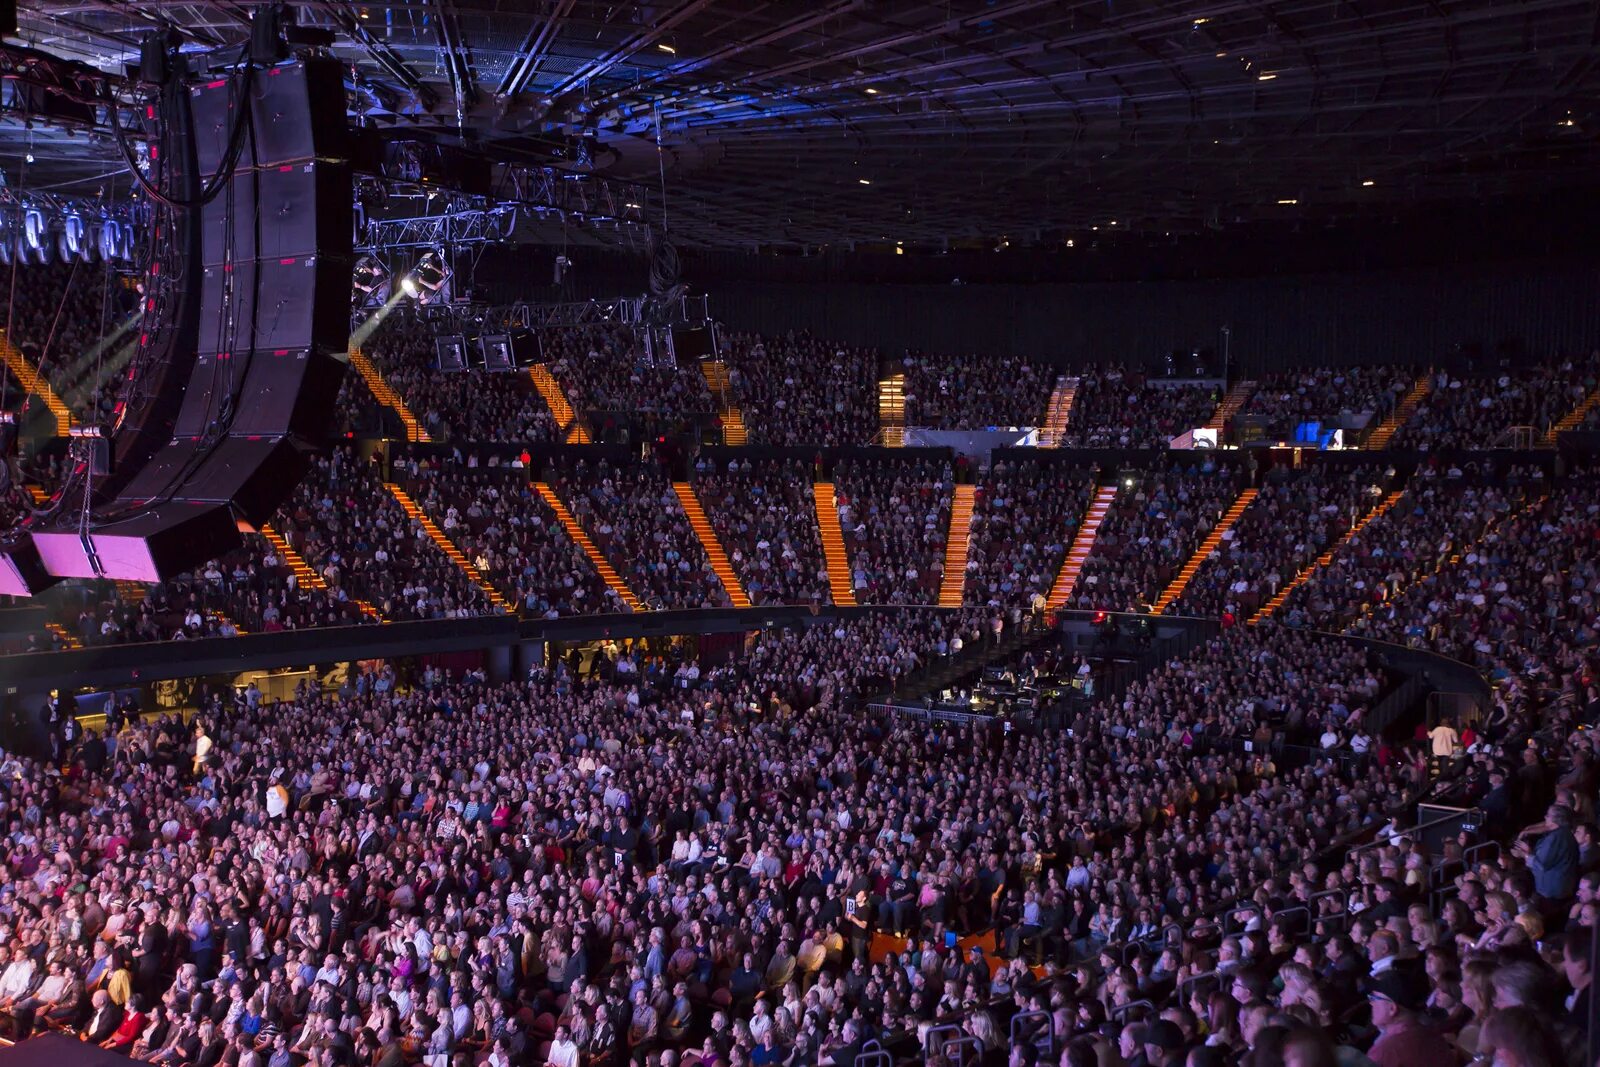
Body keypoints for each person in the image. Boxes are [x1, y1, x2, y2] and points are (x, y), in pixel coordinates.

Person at [1364, 971, 1455, 1067]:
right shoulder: (1436, 1037)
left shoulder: (1383, 1052)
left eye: (1374, 998)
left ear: (1392, 1009)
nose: (1371, 1003)